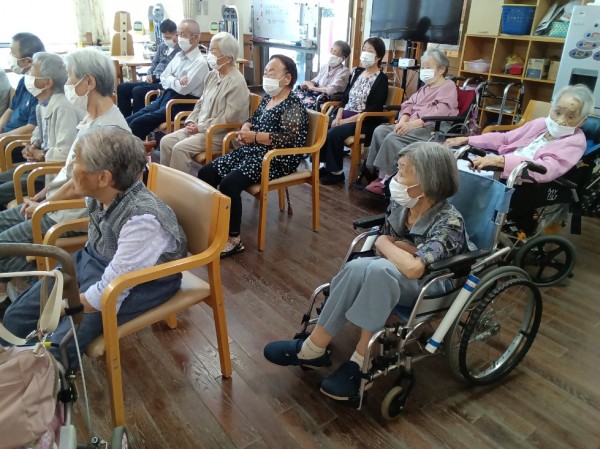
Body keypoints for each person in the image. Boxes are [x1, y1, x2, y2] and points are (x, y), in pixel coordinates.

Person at [264, 142, 474, 401]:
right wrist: (399, 249)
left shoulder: (449, 221)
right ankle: (313, 348)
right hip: (396, 273)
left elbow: (413, 268)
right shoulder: (402, 207)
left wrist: (386, 243)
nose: (395, 179)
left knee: (379, 270)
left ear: (428, 182)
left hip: (435, 284)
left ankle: (362, 362)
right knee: (357, 266)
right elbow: (398, 255)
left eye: (402, 172)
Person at [1, 127, 187, 366]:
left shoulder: (142, 220)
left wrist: (61, 308)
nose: (72, 167)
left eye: (77, 161)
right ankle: (14, 368)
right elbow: (74, 189)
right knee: (15, 317)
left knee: (58, 348)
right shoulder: (104, 192)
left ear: (103, 178)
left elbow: (108, 293)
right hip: (95, 260)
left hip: (139, 284)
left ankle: (43, 379)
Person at [0, 47, 130, 300]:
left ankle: (42, 293)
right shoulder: (90, 120)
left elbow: (79, 187)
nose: (66, 83)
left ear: (89, 82)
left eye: (70, 77)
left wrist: (44, 205)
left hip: (72, 211)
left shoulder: (108, 130)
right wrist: (41, 196)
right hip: (57, 203)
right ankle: (27, 289)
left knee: (3, 248)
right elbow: (67, 171)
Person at [197, 55, 308, 258]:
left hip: (276, 158)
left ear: (287, 78)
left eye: (271, 72)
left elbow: (288, 139)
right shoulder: (268, 99)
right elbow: (252, 119)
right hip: (254, 151)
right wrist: (246, 128)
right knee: (206, 173)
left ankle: (234, 240)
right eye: (265, 72)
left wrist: (255, 136)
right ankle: (215, 224)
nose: (266, 76)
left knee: (230, 184)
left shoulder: (293, 105)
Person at [446, 84, 594, 233]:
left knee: (465, 177)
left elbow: (546, 169)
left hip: (522, 179)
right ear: (552, 107)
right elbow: (505, 139)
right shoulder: (541, 123)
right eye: (558, 112)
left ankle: (460, 227)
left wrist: (501, 162)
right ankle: (449, 222)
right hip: (503, 165)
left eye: (570, 117)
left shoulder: (575, 142)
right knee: (453, 164)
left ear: (582, 121)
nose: (560, 121)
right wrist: (468, 140)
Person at [362, 49, 458, 195]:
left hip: (433, 127)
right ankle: (375, 172)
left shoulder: (448, 86)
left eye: (428, 67)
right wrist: (404, 119)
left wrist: (412, 124)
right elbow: (408, 104)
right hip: (412, 124)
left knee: (394, 137)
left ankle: (388, 179)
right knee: (380, 130)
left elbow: (440, 112)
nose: (423, 70)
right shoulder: (425, 87)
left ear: (441, 69)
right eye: (422, 67)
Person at [0, 52, 83, 208]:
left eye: (32, 71)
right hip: (38, 165)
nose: (28, 75)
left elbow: (65, 153)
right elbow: (39, 132)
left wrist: (41, 154)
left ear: (47, 82)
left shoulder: (63, 106)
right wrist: (32, 146)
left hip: (48, 173)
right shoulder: (42, 103)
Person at [160, 32, 249, 174]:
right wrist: (191, 120)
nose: (209, 55)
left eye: (213, 52)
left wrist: (200, 127)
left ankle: (179, 187)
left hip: (219, 133)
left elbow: (230, 118)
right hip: (201, 128)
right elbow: (201, 102)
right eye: (210, 50)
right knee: (166, 142)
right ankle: (165, 183)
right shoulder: (212, 74)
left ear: (228, 58)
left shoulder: (236, 82)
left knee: (180, 149)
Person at [319, 37, 388, 185]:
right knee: (322, 125)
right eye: (364, 49)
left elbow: (374, 108)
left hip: (363, 121)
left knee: (334, 132)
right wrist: (339, 116)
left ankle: (336, 173)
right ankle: (327, 166)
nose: (365, 53)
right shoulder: (357, 72)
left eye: (370, 51)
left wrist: (344, 121)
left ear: (378, 57)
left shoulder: (381, 79)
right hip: (345, 116)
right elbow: (345, 98)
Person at [126, 19, 209, 140]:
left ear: (195, 38)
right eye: (178, 34)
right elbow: (163, 78)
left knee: (138, 123)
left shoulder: (200, 63)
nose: (179, 38)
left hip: (182, 103)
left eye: (183, 35)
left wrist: (171, 78)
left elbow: (182, 89)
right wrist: (175, 79)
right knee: (129, 120)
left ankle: (129, 149)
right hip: (167, 96)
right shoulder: (178, 56)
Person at [116, 19, 181, 117]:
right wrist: (149, 74)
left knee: (137, 91)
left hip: (164, 83)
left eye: (168, 37)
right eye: (164, 37)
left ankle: (136, 122)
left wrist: (157, 77)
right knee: (122, 88)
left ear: (176, 34)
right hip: (152, 79)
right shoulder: (162, 46)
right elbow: (154, 64)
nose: (166, 40)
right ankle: (124, 120)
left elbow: (174, 73)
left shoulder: (180, 50)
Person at [0, 33, 45, 139]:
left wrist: (2, 137)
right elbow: (10, 110)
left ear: (27, 61)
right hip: (6, 136)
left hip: (16, 142)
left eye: (12, 52)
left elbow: (32, 127)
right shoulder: (23, 80)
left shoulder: (40, 87)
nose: (10, 56)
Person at [294, 40, 351, 110]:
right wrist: (308, 83)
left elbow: (332, 90)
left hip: (326, 98)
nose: (331, 53)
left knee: (301, 104)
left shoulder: (344, 71)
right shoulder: (325, 66)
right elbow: (316, 80)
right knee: (296, 92)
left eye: (335, 52)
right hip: (316, 93)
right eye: (331, 50)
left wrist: (313, 88)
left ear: (343, 58)